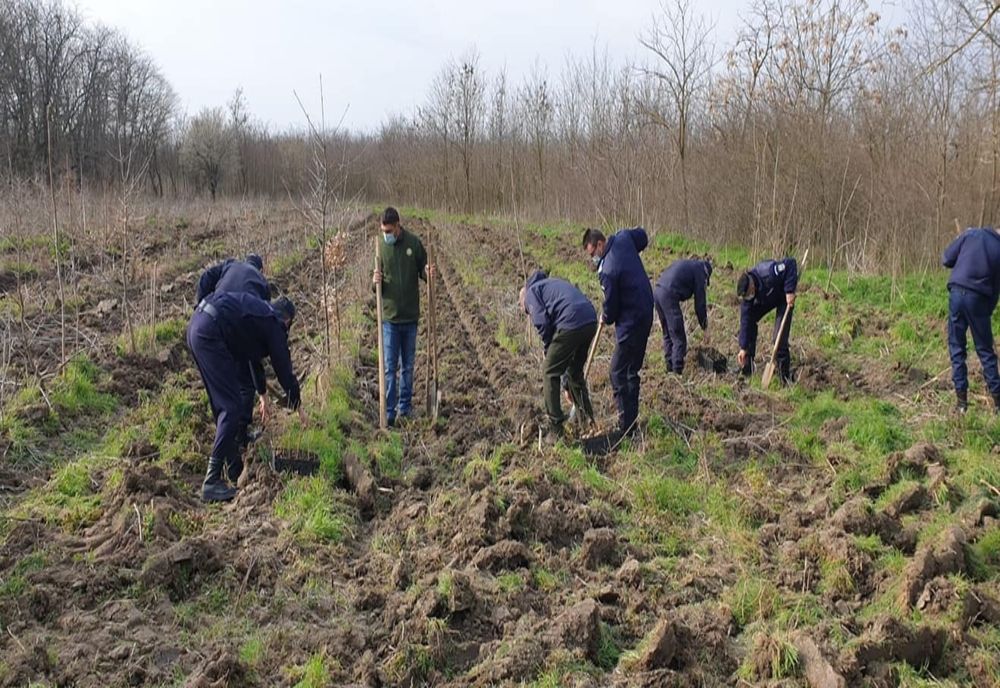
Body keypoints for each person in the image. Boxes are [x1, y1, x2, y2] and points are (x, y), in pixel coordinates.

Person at [187, 292, 301, 501]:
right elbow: (283, 368)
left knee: (222, 407)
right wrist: (297, 403)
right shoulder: (274, 323)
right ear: (287, 320)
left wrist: (263, 395)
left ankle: (232, 468)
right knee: (231, 408)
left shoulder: (259, 315)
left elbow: (253, 361)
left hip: (197, 326)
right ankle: (211, 480)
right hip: (210, 333)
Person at [195, 253, 272, 471]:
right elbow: (260, 330)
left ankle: (228, 436)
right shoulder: (261, 283)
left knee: (223, 392)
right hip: (234, 330)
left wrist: (200, 303)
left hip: (209, 324)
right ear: (261, 269)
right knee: (244, 384)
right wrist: (262, 391)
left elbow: (205, 278)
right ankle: (239, 435)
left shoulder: (230, 266)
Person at [582, 227, 654, 438]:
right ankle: (631, 424)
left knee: (617, 372)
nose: (593, 259)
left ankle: (625, 427)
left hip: (631, 322)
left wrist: (605, 315)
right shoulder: (623, 238)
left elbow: (612, 310)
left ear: (600, 245)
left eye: (592, 254)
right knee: (632, 370)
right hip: (647, 311)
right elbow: (643, 237)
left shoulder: (607, 271)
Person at [372, 207, 434, 426]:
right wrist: (375, 280)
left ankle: (405, 409)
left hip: (409, 317)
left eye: (389, 230)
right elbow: (375, 286)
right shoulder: (381, 248)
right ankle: (389, 412)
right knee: (390, 368)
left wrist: (429, 273)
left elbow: (425, 273)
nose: (386, 234)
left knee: (408, 366)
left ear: (398, 226)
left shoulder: (414, 244)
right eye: (383, 230)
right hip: (389, 318)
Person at [520, 270, 598, 440]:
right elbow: (565, 357)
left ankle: (556, 428)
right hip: (590, 320)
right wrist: (566, 385)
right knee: (574, 373)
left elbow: (542, 322)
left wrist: (548, 349)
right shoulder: (552, 285)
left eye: (526, 310)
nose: (527, 312)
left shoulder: (531, 293)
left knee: (549, 370)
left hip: (571, 322)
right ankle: (587, 421)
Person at [942, 226, 1000, 413]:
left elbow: (946, 258)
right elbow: (996, 290)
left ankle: (961, 404)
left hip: (956, 294)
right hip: (979, 299)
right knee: (985, 350)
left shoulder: (971, 233)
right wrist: (986, 312)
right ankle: (998, 403)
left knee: (957, 348)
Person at [736, 257, 798, 384]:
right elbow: (745, 321)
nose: (748, 297)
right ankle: (748, 365)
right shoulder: (748, 298)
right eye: (746, 296)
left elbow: (791, 263)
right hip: (767, 298)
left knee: (778, 339)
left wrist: (789, 291)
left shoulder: (769, 272)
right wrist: (743, 347)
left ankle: (784, 377)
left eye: (748, 293)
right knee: (750, 318)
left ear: (752, 285)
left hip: (783, 297)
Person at [653, 259, 712, 375]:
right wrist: (705, 326)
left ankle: (669, 367)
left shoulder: (690, 265)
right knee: (679, 338)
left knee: (668, 334)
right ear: (707, 275)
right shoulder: (701, 273)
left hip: (657, 292)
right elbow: (700, 304)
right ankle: (676, 373)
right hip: (669, 295)